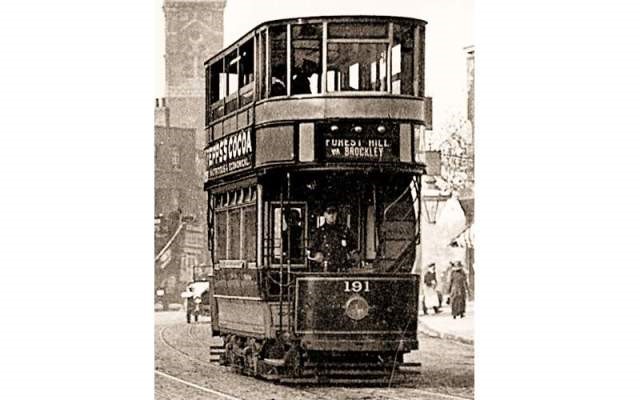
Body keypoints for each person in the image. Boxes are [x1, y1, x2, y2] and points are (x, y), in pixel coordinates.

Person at [307, 203, 359, 272]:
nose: (331, 215)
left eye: (333, 213)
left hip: (342, 269)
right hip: (325, 269)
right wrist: (317, 255)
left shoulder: (344, 231)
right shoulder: (319, 232)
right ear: (325, 215)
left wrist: (354, 255)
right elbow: (311, 250)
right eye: (329, 213)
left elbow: (352, 247)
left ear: (336, 214)